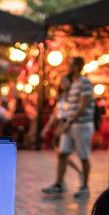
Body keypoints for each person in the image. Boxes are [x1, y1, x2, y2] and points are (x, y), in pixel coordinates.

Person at [42, 56, 95, 199]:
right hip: (71, 124)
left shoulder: (84, 82)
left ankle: (84, 187)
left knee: (83, 156)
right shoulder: (74, 84)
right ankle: (59, 184)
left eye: (70, 64)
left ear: (76, 66)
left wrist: (69, 122)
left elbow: (83, 105)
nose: (68, 67)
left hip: (81, 125)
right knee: (62, 153)